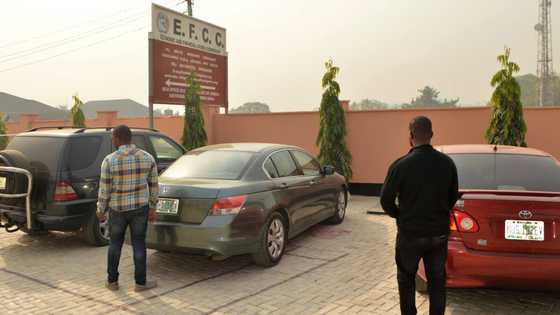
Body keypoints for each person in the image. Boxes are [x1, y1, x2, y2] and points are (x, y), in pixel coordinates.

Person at [380, 116, 459, 315]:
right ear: (431, 135)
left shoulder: (400, 165)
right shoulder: (447, 164)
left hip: (410, 234)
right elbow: (452, 197)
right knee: (437, 280)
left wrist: (399, 215)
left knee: (406, 279)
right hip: (438, 235)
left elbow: (385, 200)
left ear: (411, 136)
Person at [96, 125, 159, 292]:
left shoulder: (109, 160)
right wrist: (153, 207)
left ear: (117, 138)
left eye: (113, 137)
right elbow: (154, 186)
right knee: (139, 243)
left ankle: (112, 282)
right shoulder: (148, 158)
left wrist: (100, 209)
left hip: (117, 210)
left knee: (115, 244)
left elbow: (104, 189)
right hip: (140, 208)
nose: (112, 140)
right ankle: (140, 283)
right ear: (130, 138)